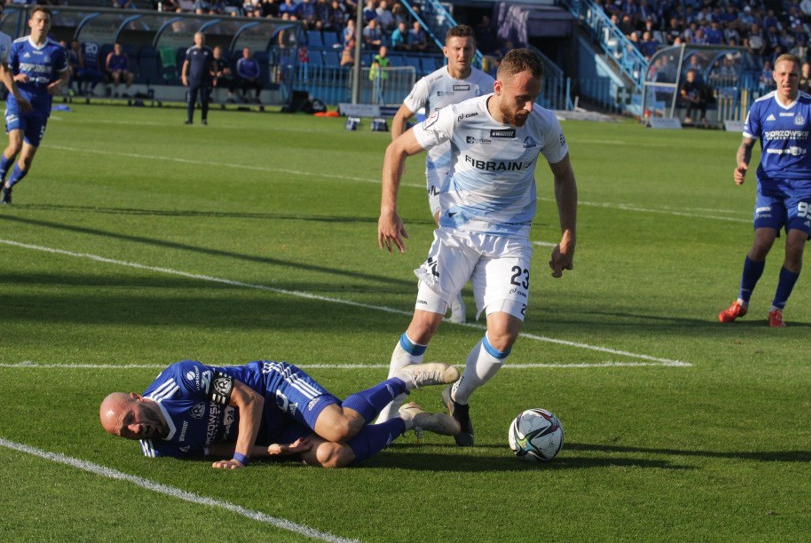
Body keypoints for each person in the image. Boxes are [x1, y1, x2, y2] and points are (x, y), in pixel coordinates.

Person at [376, 49, 578, 446]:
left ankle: (457, 395)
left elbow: (564, 176)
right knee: (424, 325)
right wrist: (388, 209)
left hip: (510, 240)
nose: (529, 105)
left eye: (535, 96)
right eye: (522, 97)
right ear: (498, 87)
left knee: (503, 335)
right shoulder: (460, 116)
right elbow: (396, 149)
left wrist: (568, 235)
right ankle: (384, 418)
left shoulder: (543, 124)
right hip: (456, 235)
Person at [99, 359, 460, 468]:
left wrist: (242, 458)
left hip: (272, 389)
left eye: (130, 418)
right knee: (334, 456)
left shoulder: (182, 380)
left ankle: (403, 381)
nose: (135, 429)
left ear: (138, 398)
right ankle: (410, 420)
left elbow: (249, 400)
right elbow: (209, 451)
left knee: (340, 427)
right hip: (264, 434)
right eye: (125, 433)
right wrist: (269, 452)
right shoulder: (157, 447)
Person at [718, 54, 811, 328]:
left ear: (800, 78)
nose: (788, 79)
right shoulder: (761, 106)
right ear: (774, 76)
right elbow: (746, 145)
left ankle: (776, 309)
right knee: (762, 243)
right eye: (783, 74)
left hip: (803, 187)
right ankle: (742, 301)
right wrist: (742, 163)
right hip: (770, 186)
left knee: (795, 245)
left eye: (793, 75)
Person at [384, 24, 494, 331]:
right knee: (446, 224)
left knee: (472, 231)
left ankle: (477, 295)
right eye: (456, 48)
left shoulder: (487, 83)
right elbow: (400, 117)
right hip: (440, 168)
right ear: (446, 51)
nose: (462, 54)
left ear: (474, 51)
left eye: (467, 48)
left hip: (475, 169)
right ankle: (453, 297)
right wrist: (399, 153)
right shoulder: (430, 83)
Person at [0, 7, 67, 206]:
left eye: (46, 21)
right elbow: (5, 71)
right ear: (30, 23)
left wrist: (60, 84)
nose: (42, 25)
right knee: (15, 145)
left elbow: (65, 75)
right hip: (17, 101)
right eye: (38, 20)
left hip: (40, 107)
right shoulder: (17, 45)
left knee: (27, 161)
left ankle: (8, 187)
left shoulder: (57, 50)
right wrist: (16, 79)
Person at [181, 32, 216, 125]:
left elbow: (214, 64)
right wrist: (184, 76)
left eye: (202, 38)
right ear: (195, 40)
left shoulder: (208, 51)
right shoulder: (191, 51)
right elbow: (186, 64)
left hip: (206, 80)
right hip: (193, 79)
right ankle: (189, 119)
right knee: (191, 99)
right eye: (199, 38)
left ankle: (204, 119)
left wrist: (215, 77)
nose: (201, 40)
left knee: (204, 100)